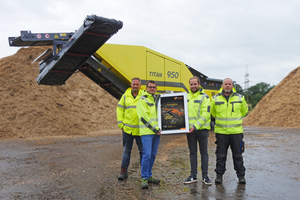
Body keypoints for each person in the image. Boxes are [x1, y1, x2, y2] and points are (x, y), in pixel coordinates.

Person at [211, 78, 248, 184]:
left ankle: (241, 176)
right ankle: (219, 175)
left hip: (236, 132)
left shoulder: (240, 98)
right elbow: (213, 112)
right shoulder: (215, 99)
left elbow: (244, 111)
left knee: (237, 155)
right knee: (221, 155)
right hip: (221, 132)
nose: (227, 86)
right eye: (225, 84)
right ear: (222, 85)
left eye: (229, 84)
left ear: (232, 85)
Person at [184, 76, 212, 185]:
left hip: (201, 129)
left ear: (199, 84)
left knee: (204, 152)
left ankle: (205, 176)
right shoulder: (185, 96)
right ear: (189, 85)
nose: (193, 86)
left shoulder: (205, 97)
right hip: (190, 131)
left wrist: (195, 126)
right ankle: (193, 176)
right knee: (192, 153)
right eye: (191, 84)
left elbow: (206, 114)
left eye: (195, 84)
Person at [116, 77, 143, 180]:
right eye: (133, 84)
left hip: (141, 130)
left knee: (143, 152)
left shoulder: (144, 95)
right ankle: (123, 172)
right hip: (127, 130)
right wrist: (121, 125)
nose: (135, 86)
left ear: (140, 86)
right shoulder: (125, 96)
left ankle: (144, 173)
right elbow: (119, 109)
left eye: (137, 84)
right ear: (131, 85)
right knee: (126, 151)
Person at [136, 80, 161, 189]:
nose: (152, 89)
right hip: (147, 132)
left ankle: (149, 175)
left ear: (156, 88)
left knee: (153, 155)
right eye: (150, 87)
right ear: (146, 88)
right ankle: (144, 178)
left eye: (154, 87)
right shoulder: (142, 99)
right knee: (146, 155)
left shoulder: (157, 98)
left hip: (157, 133)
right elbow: (144, 117)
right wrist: (156, 129)